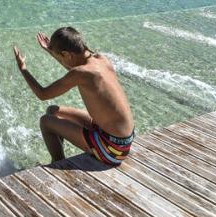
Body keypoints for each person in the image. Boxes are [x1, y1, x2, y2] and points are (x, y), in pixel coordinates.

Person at [13, 27, 134, 165]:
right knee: (53, 111)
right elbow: (75, 71)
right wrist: (52, 51)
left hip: (111, 149)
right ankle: (59, 155)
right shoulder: (101, 60)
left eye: (61, 57)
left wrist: (23, 69)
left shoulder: (81, 73)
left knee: (46, 121)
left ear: (67, 54)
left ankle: (58, 162)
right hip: (123, 143)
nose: (60, 59)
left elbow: (42, 94)